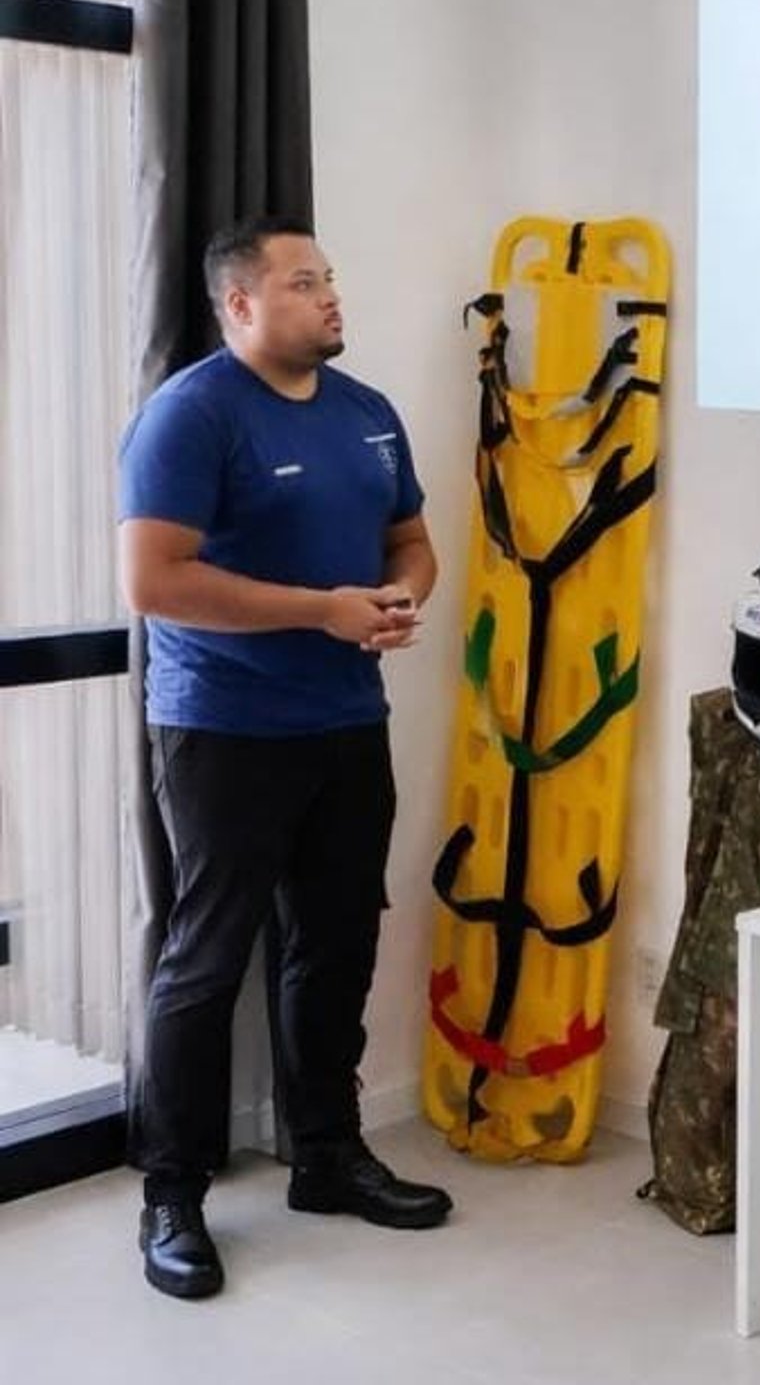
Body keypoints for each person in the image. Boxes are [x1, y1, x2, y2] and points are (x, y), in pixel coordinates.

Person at [118, 217, 453, 1301]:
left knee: (338, 941)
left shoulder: (367, 414)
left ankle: (326, 1153)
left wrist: (402, 597)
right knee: (206, 960)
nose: (330, 297)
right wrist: (322, 610)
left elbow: (411, 538)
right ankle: (171, 1193)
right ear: (241, 305)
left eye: (331, 278)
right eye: (303, 282)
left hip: (346, 722)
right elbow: (154, 581)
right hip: (224, 729)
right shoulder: (190, 415)